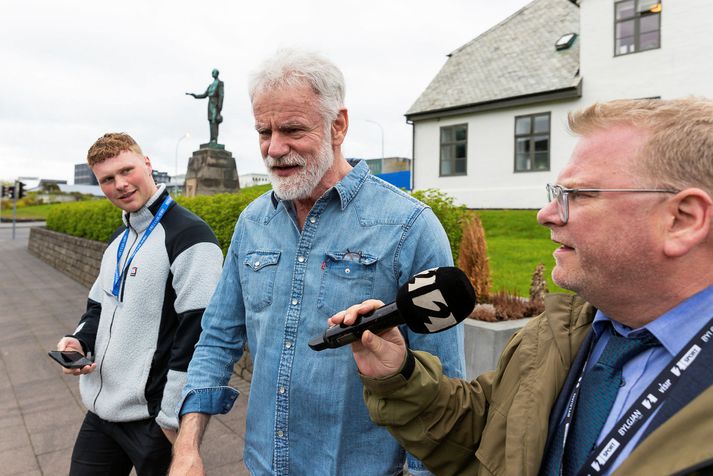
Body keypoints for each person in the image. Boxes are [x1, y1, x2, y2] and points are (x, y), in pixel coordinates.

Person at [333, 98, 713, 475]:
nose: (545, 215)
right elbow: (484, 435)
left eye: (578, 195)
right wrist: (398, 375)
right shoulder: (555, 335)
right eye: (556, 194)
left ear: (682, 219)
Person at [170, 49, 465, 475]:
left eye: (292, 129)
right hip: (263, 466)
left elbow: (443, 381)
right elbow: (217, 338)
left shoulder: (409, 227)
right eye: (263, 131)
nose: (274, 149)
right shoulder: (253, 222)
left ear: (338, 124)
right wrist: (187, 444)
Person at [55, 133, 224, 475]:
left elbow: (199, 336)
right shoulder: (119, 240)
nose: (119, 184)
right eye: (107, 179)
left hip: (153, 421)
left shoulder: (191, 236)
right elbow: (98, 307)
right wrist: (79, 341)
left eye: (126, 170)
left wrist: (170, 418)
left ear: (147, 164)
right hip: (102, 411)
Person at [186, 68, 225, 144]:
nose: (212, 73)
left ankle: (215, 140)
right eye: (212, 72)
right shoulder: (210, 86)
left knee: (214, 121)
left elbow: (221, 95)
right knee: (211, 120)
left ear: (217, 73)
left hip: (216, 103)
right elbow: (204, 95)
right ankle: (211, 139)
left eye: (214, 72)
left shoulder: (220, 83)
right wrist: (195, 96)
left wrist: (220, 107)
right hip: (210, 103)